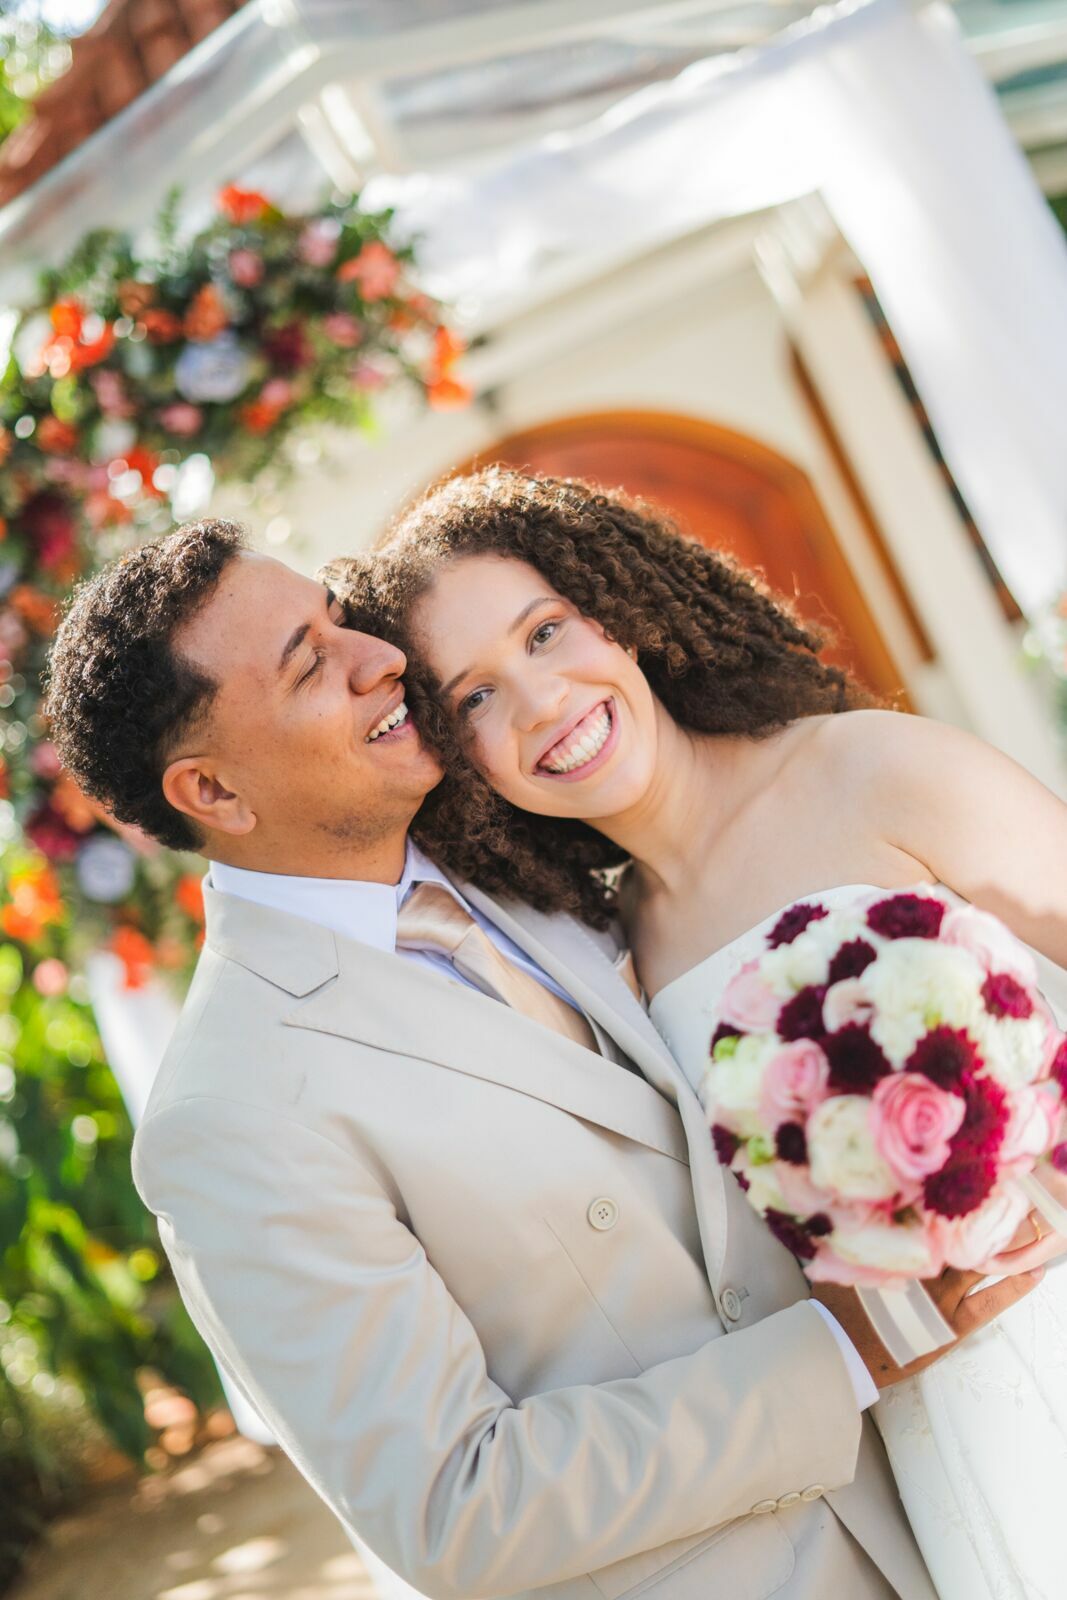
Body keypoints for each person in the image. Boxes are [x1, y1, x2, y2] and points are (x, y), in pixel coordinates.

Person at [43, 520, 1016, 1600]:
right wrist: (841, 1355)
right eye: (314, 664)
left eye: (334, 618)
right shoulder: (230, 1112)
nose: (381, 658)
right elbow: (454, 1508)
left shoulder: (528, 864)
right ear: (214, 794)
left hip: (946, 1501)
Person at [346, 464, 1067, 1600]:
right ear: (456, 757)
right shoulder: (605, 965)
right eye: (474, 697)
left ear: (620, 613)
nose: (538, 702)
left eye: (545, 631)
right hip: (924, 1435)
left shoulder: (874, 770)